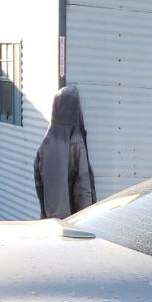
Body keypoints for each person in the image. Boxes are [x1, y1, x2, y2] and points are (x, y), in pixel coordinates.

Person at [34, 85, 96, 218]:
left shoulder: (46, 142)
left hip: (50, 218)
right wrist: (88, 218)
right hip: (73, 220)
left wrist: (44, 211)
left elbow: (39, 183)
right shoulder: (76, 142)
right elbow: (83, 187)